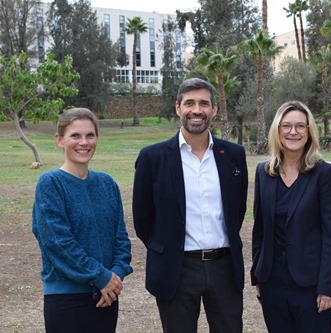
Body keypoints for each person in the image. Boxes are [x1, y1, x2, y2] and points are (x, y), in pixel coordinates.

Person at [132, 78, 248, 333]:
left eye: (204, 103)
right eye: (190, 103)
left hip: (224, 268)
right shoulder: (152, 158)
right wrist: (167, 247)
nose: (197, 110)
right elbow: (143, 219)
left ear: (214, 110)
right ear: (178, 108)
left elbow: (236, 211)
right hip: (177, 269)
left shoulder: (234, 156)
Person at [32, 108, 133, 333]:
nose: (84, 142)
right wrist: (101, 277)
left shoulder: (107, 184)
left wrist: (116, 275)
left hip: (106, 296)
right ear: (59, 140)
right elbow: (57, 243)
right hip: (66, 300)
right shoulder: (50, 184)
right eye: (75, 136)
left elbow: (121, 239)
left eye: (90, 135)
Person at [251, 100, 331, 333]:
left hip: (311, 285)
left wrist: (327, 287)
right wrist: (258, 275)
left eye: (301, 126)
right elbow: (259, 230)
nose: (293, 132)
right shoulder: (264, 173)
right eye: (286, 126)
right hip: (272, 282)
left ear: (309, 131)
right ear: (277, 130)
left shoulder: (324, 173)